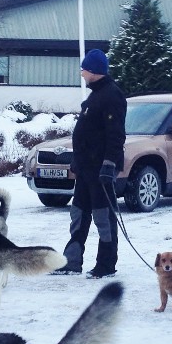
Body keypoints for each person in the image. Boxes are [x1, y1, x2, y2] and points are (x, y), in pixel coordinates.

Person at [57, 48, 127, 278]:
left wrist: (109, 164)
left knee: (103, 216)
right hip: (86, 169)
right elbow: (86, 134)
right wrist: (77, 161)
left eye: (84, 69)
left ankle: (106, 264)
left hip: (100, 170)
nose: (82, 74)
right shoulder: (94, 96)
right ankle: (72, 261)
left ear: (95, 71)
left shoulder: (112, 95)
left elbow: (116, 134)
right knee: (78, 213)